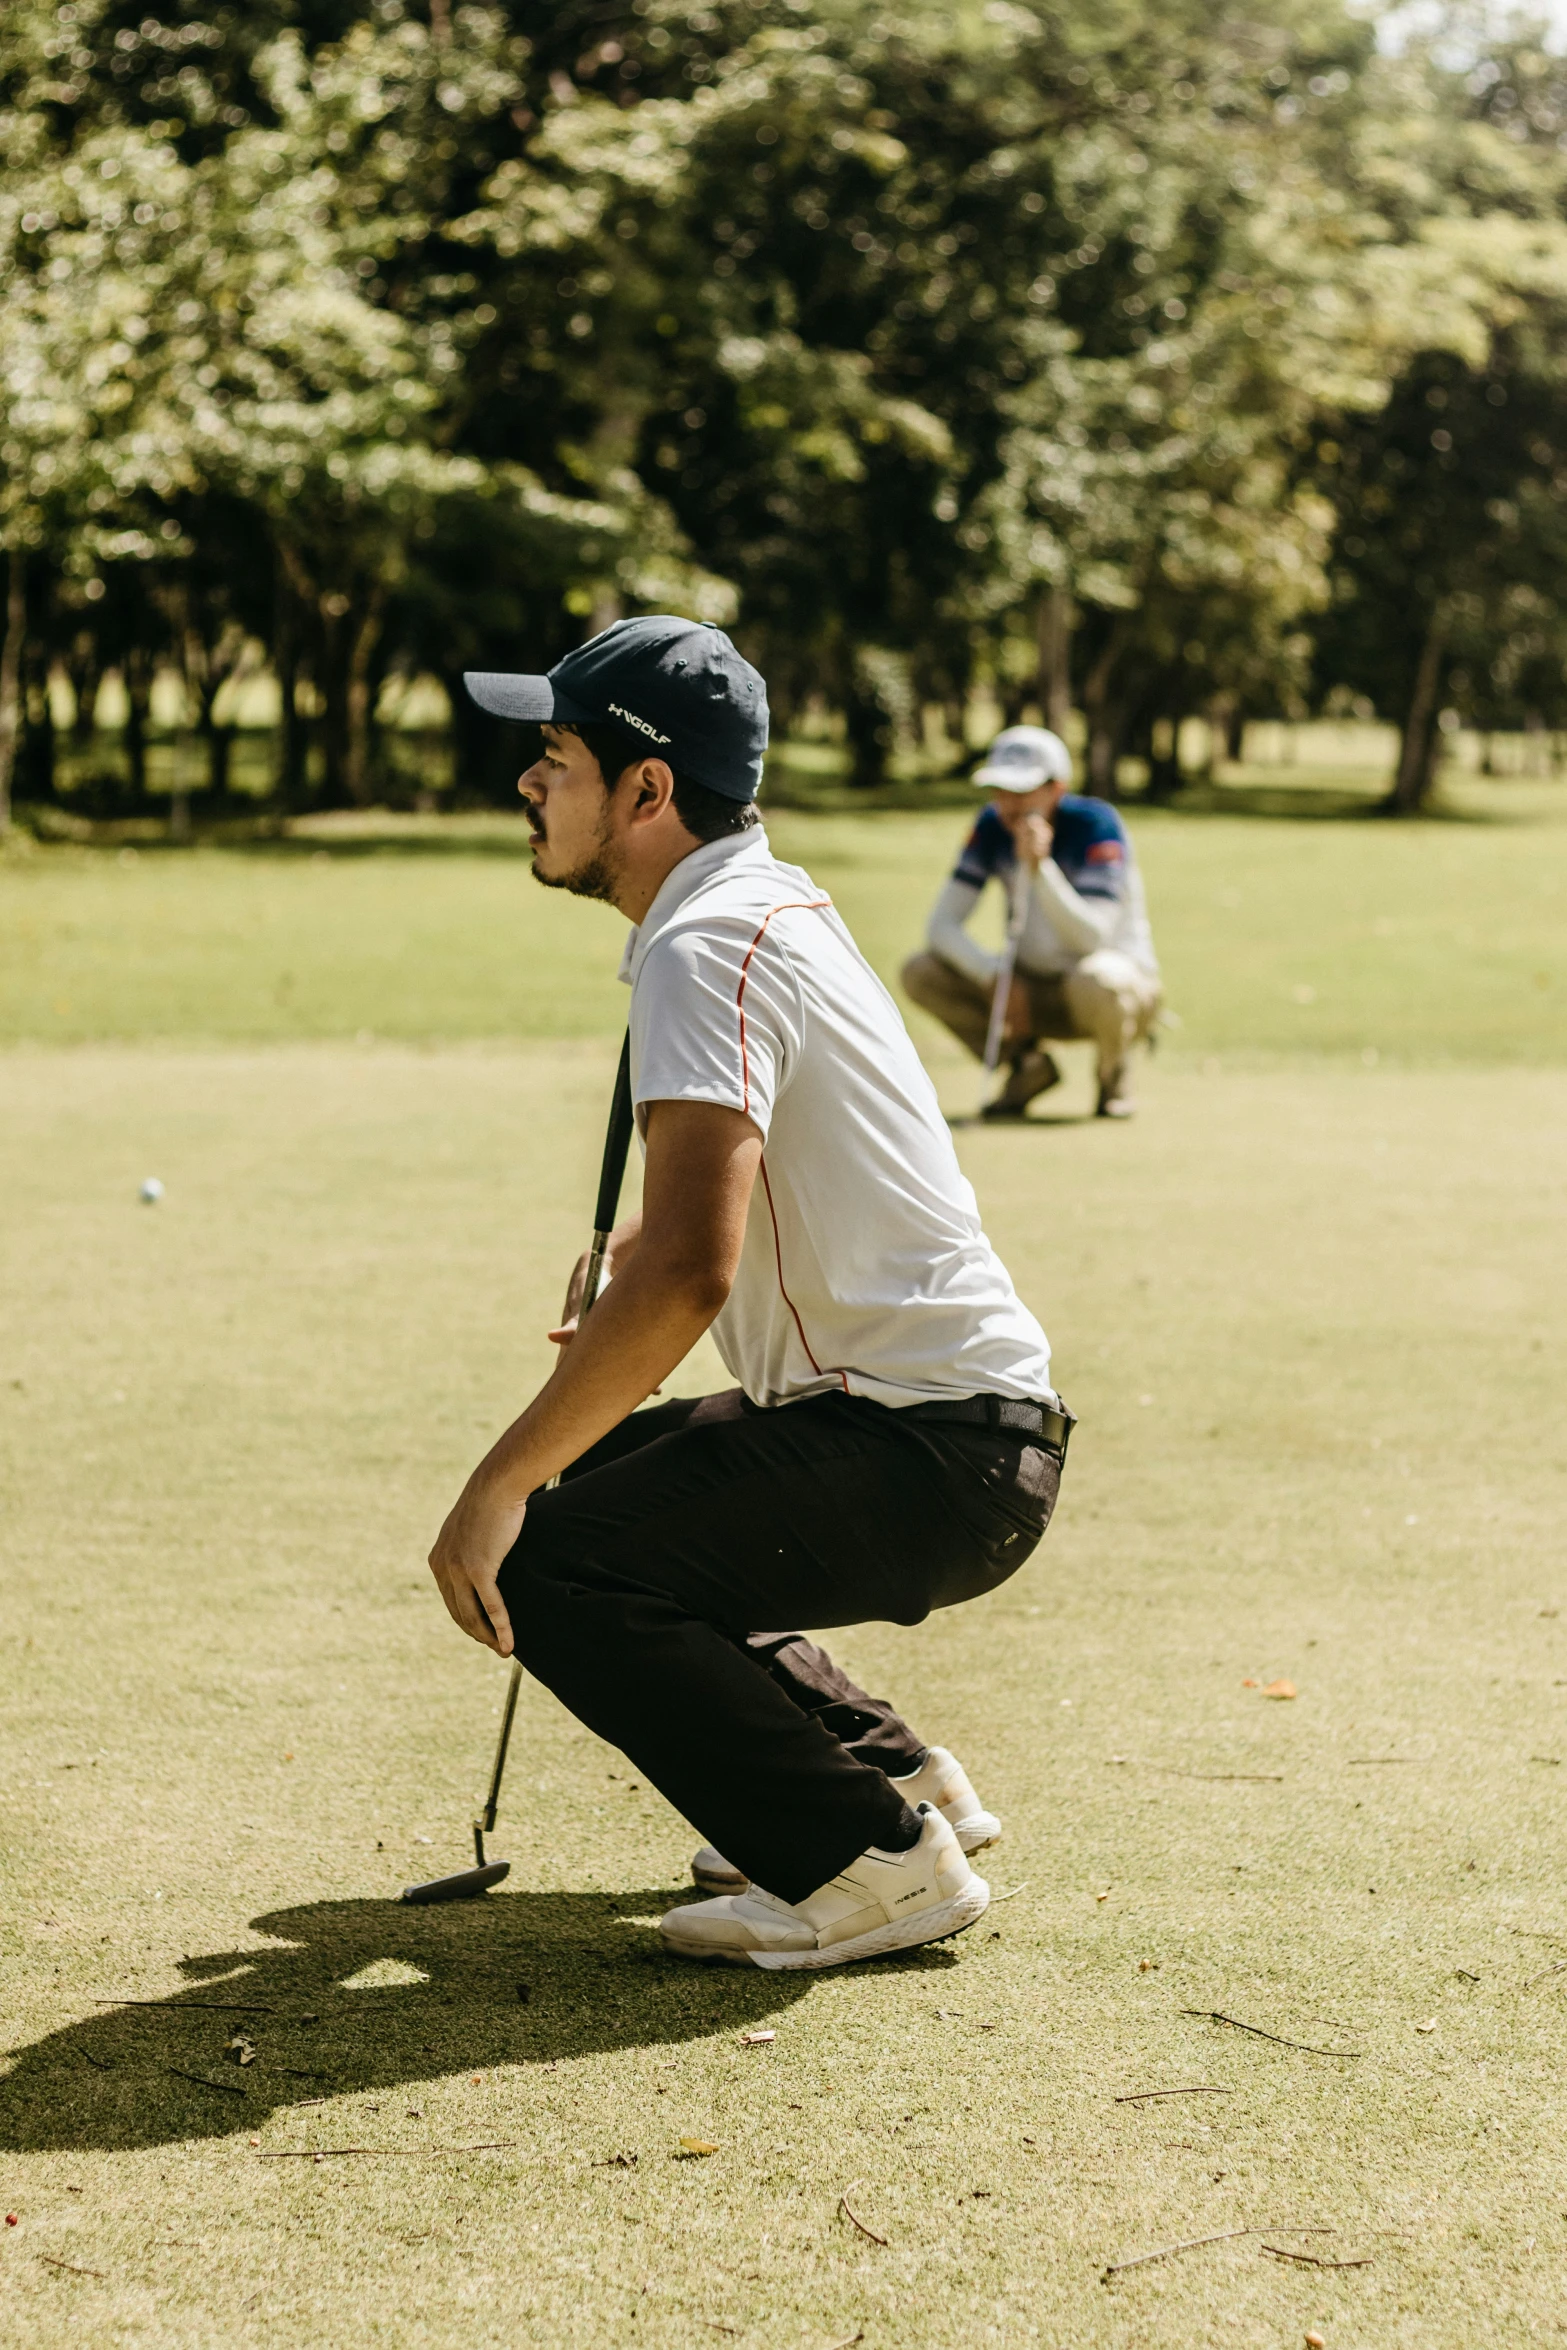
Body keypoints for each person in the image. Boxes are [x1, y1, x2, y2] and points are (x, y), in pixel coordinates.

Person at [428, 616, 1072, 1972]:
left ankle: (867, 1866)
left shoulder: (702, 940)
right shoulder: (752, 904)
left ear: (645, 791)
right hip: (960, 1434)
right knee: (599, 1487)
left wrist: (489, 1488)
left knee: (550, 1554)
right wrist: (631, 1277)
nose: (528, 784)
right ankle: (894, 1779)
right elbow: (704, 1226)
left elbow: (687, 1273)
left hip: (928, 1451)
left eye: (554, 757)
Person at [901, 725, 1162, 1120]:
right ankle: (1026, 1066)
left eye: (1021, 792)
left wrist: (1042, 871)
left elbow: (1092, 938)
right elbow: (941, 927)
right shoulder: (992, 826)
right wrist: (993, 977)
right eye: (1000, 791)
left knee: (1101, 980)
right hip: (1027, 988)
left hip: (1105, 994)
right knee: (920, 972)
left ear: (1056, 789)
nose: (1008, 804)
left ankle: (1113, 1075)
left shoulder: (1097, 825)